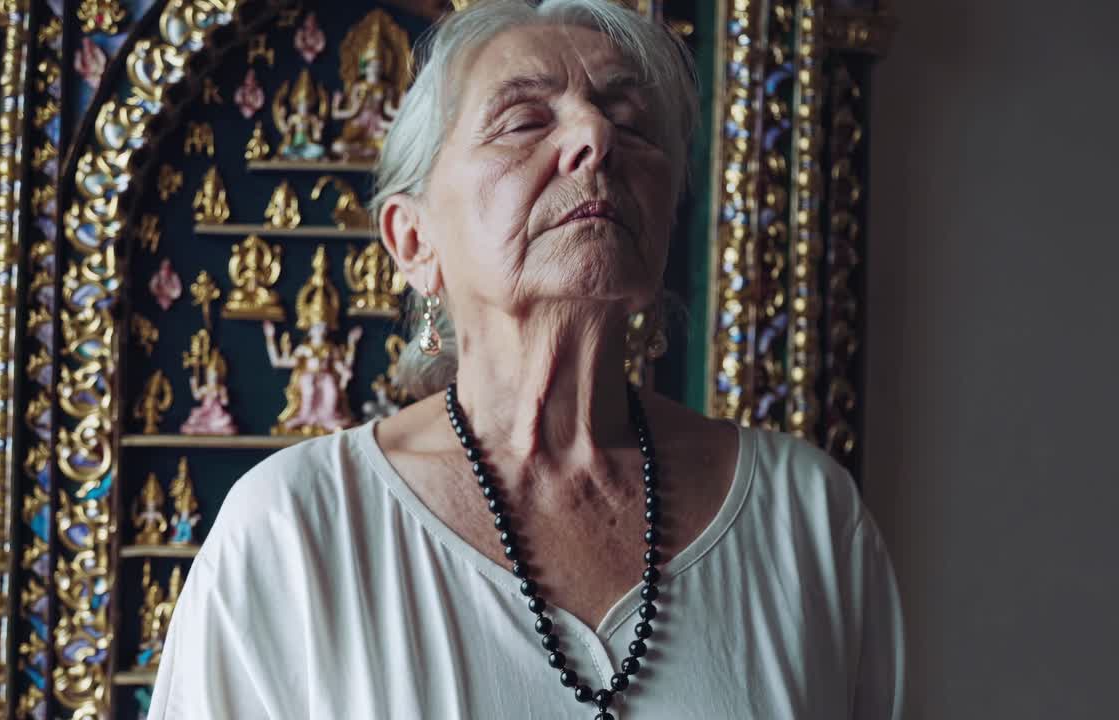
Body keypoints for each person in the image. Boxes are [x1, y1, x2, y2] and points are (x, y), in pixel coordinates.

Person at [148, 1, 904, 718]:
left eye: (630, 122)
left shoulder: (806, 517)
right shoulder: (295, 528)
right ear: (413, 240)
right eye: (523, 120)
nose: (596, 138)